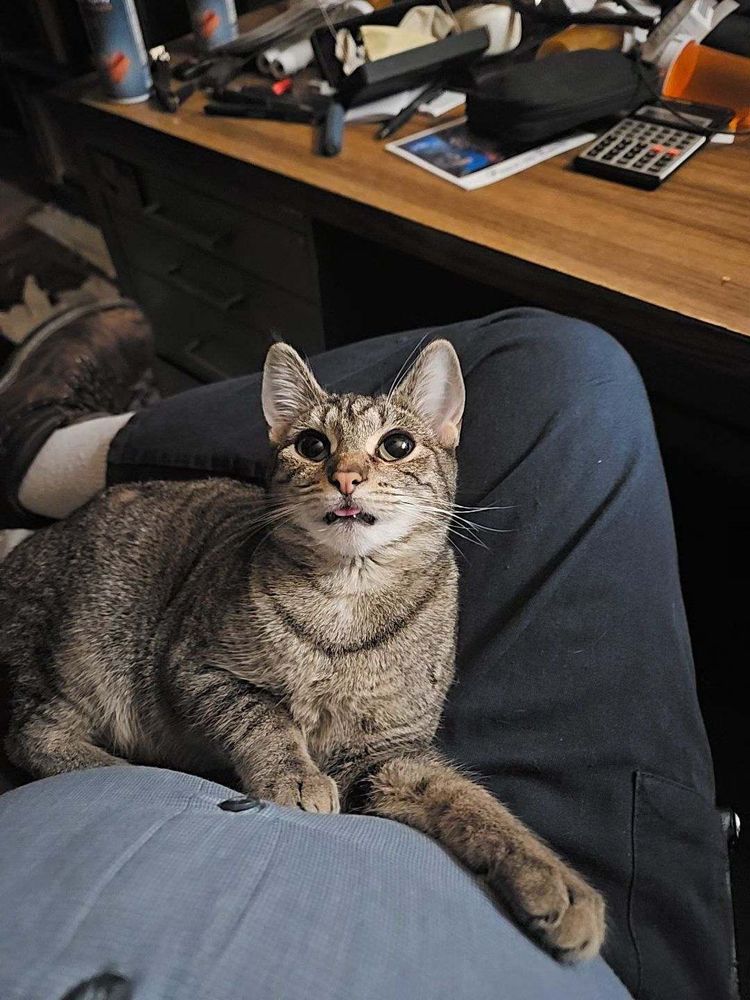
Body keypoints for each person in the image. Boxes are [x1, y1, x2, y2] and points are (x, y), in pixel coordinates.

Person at [0, 300, 734, 1000]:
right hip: (108, 629)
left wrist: (506, 846)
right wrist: (278, 754)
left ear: (446, 434)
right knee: (565, 360)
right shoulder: (252, 572)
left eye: (396, 445)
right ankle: (39, 529)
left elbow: (381, 770)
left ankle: (42, 457)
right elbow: (193, 666)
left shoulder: (434, 594)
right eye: (313, 446)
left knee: (565, 355)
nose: (348, 473)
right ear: (281, 439)